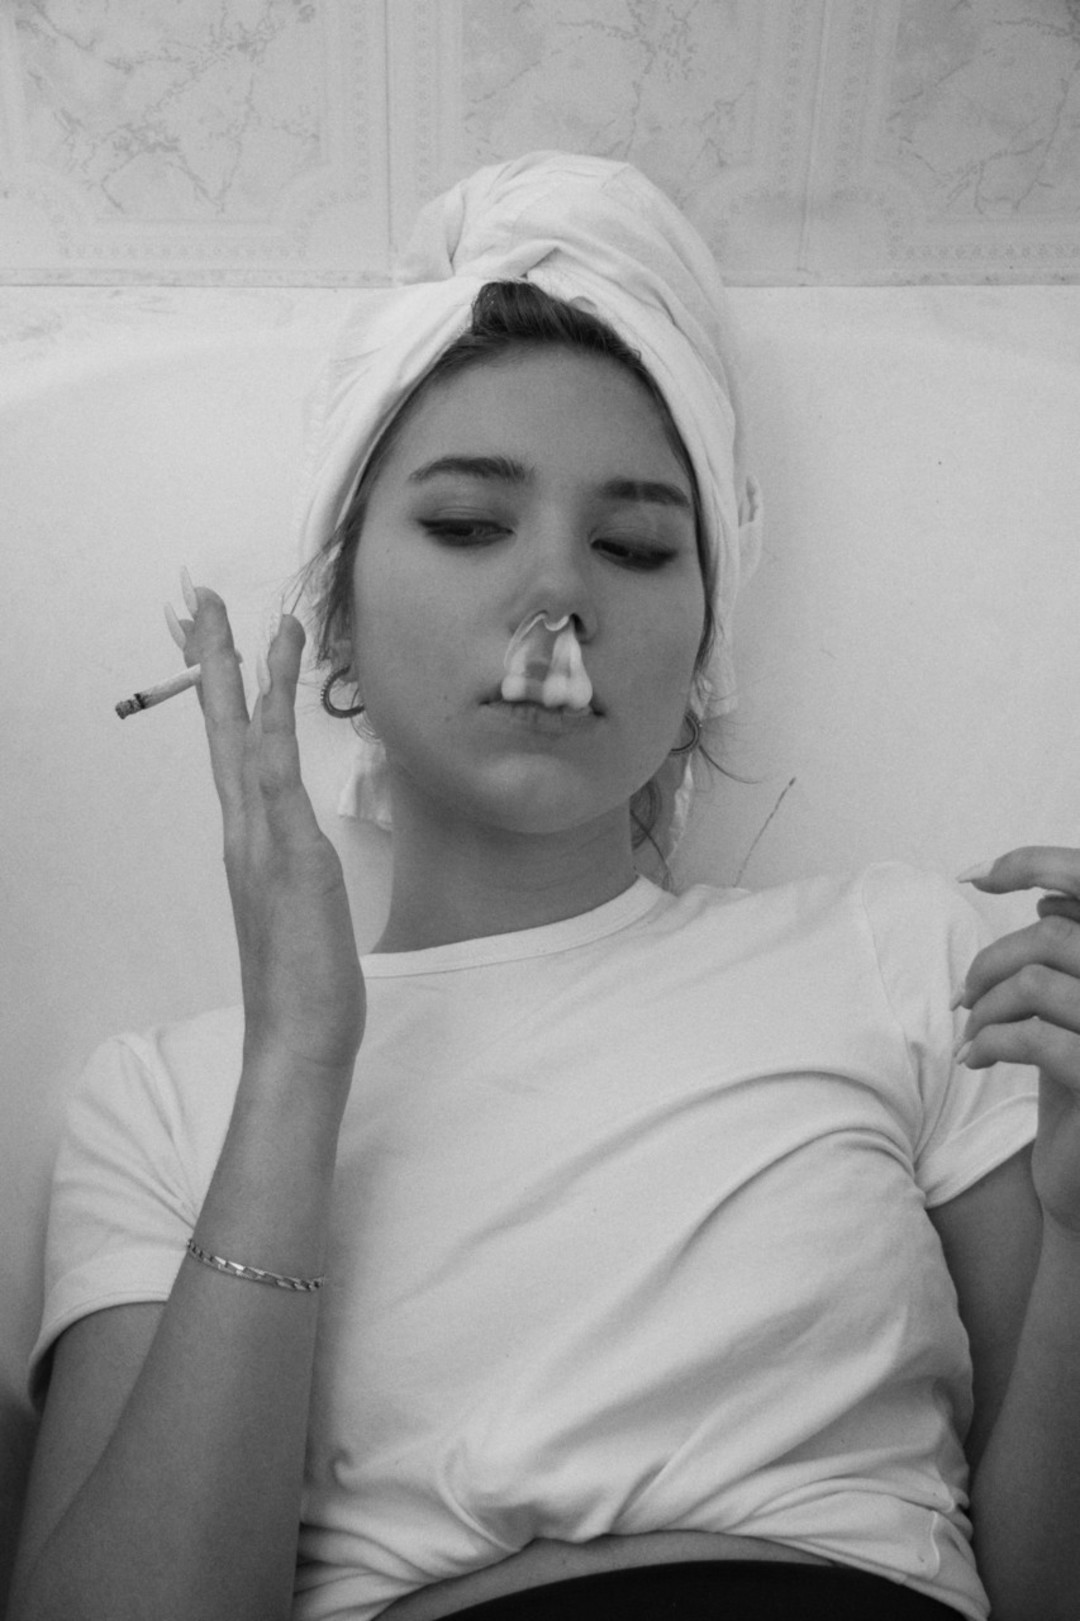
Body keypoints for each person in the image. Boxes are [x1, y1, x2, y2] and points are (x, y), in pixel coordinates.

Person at [9, 154, 1080, 1621]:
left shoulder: (915, 959)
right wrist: (299, 1068)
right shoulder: (171, 1101)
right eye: (467, 525)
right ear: (335, 619)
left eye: (634, 545)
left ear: (700, 653)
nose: (558, 598)